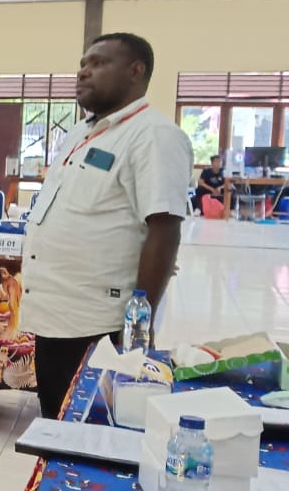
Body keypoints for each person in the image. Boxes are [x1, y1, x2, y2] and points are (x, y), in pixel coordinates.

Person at [21, 33, 189, 420]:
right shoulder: (80, 134)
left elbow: (164, 229)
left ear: (135, 71)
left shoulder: (153, 135)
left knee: (91, 433)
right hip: (55, 315)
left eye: (98, 63)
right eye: (82, 64)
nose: (83, 72)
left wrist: (139, 323)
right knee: (58, 425)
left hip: (100, 325)